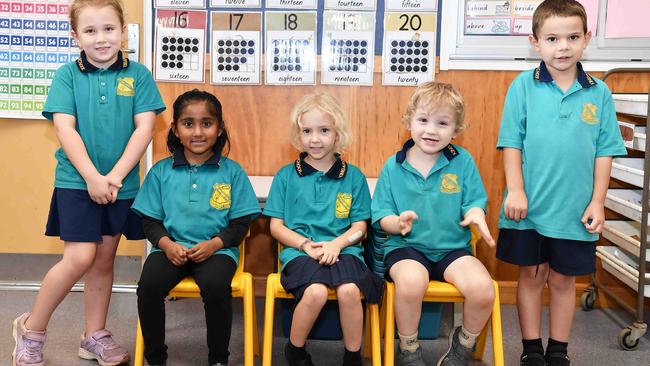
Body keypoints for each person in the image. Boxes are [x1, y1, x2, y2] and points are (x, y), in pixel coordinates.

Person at [12, 1, 165, 365]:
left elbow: (145, 127)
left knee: (103, 260)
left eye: (109, 29)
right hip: (76, 183)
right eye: (91, 31)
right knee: (80, 256)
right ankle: (31, 329)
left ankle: (93, 335)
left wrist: (113, 177)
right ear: (75, 36)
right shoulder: (67, 75)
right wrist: (93, 178)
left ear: (123, 31)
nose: (101, 38)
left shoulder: (139, 75)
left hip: (120, 185)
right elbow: (65, 128)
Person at [495, 1, 627, 365]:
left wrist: (598, 201)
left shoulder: (599, 93)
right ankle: (531, 348)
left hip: (575, 210)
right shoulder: (522, 86)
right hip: (530, 208)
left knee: (564, 281)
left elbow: (605, 152)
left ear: (587, 39)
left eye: (572, 37)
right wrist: (516, 189)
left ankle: (558, 350)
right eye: (552, 38)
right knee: (532, 276)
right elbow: (511, 142)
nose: (563, 46)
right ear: (535, 42)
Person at [133, 89, 261, 366]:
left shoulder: (232, 172)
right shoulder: (161, 171)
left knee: (216, 287)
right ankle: (155, 358)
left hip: (217, 252)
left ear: (219, 128)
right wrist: (167, 245)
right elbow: (150, 222)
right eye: (188, 124)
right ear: (176, 130)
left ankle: (218, 359)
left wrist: (215, 243)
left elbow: (241, 223)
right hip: (170, 250)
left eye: (207, 123)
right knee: (148, 287)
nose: (198, 132)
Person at [372, 81, 496, 366]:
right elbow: (381, 215)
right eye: (423, 120)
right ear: (409, 122)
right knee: (412, 282)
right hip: (407, 248)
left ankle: (463, 345)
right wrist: (397, 223)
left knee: (483, 288)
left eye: (443, 123)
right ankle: (408, 348)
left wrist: (476, 214)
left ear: (456, 129)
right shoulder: (394, 166)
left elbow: (474, 202)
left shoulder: (462, 162)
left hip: (452, 249)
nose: (431, 130)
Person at [263, 92, 382, 366]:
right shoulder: (285, 176)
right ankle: (295, 350)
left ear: (338, 134)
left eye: (324, 130)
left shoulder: (353, 177)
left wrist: (337, 244)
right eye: (307, 131)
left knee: (350, 291)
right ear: (298, 134)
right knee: (314, 291)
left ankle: (352, 356)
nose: (315, 139)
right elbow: (276, 227)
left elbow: (360, 227)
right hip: (300, 253)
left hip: (345, 250)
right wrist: (306, 245)